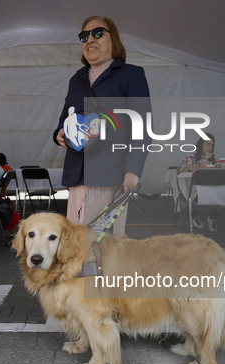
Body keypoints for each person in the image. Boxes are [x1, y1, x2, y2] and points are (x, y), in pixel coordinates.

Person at [53, 16, 151, 235]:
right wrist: (59, 133)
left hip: (111, 174)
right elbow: (64, 119)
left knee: (105, 244)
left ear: (113, 39)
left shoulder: (131, 74)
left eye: (98, 33)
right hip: (78, 172)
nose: (89, 40)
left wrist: (133, 169)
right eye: (84, 36)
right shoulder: (76, 79)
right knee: (77, 240)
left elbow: (141, 126)